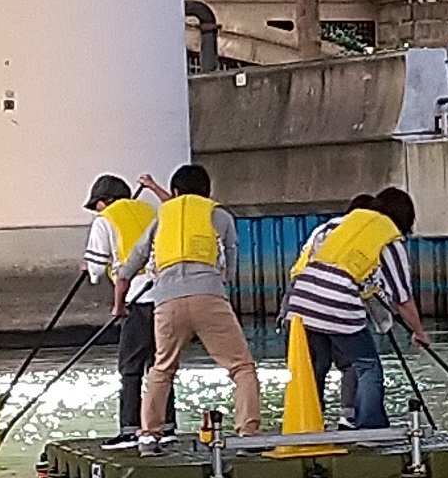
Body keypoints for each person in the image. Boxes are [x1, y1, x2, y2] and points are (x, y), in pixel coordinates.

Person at [114, 162, 262, 449]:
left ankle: (149, 433)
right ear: (208, 192)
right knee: (241, 367)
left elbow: (131, 264)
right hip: (209, 295)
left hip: (166, 299)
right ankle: (248, 432)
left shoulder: (161, 216)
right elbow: (230, 259)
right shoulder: (219, 214)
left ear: (175, 191)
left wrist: (119, 304)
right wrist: (223, 286)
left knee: (162, 368)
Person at [283, 186, 430, 430]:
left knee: (314, 367)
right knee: (368, 367)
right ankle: (369, 427)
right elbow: (402, 297)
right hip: (337, 301)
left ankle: (308, 425)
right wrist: (419, 332)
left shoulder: (344, 223)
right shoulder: (389, 238)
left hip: (301, 298)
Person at [84, 173, 175, 450]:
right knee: (161, 366)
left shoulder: (106, 219)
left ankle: (130, 429)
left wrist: (87, 266)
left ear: (105, 200)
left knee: (130, 368)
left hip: (135, 298)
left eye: (97, 204)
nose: (98, 210)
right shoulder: (150, 210)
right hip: (164, 295)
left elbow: (97, 270)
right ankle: (166, 426)